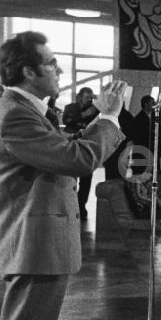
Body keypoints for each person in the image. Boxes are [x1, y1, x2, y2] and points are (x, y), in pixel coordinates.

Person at [0, 32, 125, 320]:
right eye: (51, 63)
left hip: (38, 243)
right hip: (32, 244)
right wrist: (108, 117)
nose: (59, 70)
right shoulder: (14, 115)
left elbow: (65, 150)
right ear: (28, 71)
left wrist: (99, 122)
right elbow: (78, 160)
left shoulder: (24, 109)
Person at [62, 87, 100, 221]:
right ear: (80, 97)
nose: (90, 100)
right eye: (87, 97)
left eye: (91, 97)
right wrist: (84, 116)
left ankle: (81, 204)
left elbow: (96, 126)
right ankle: (69, 205)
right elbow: (66, 121)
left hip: (86, 146)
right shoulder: (70, 108)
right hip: (72, 145)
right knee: (70, 177)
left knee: (86, 178)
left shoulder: (95, 110)